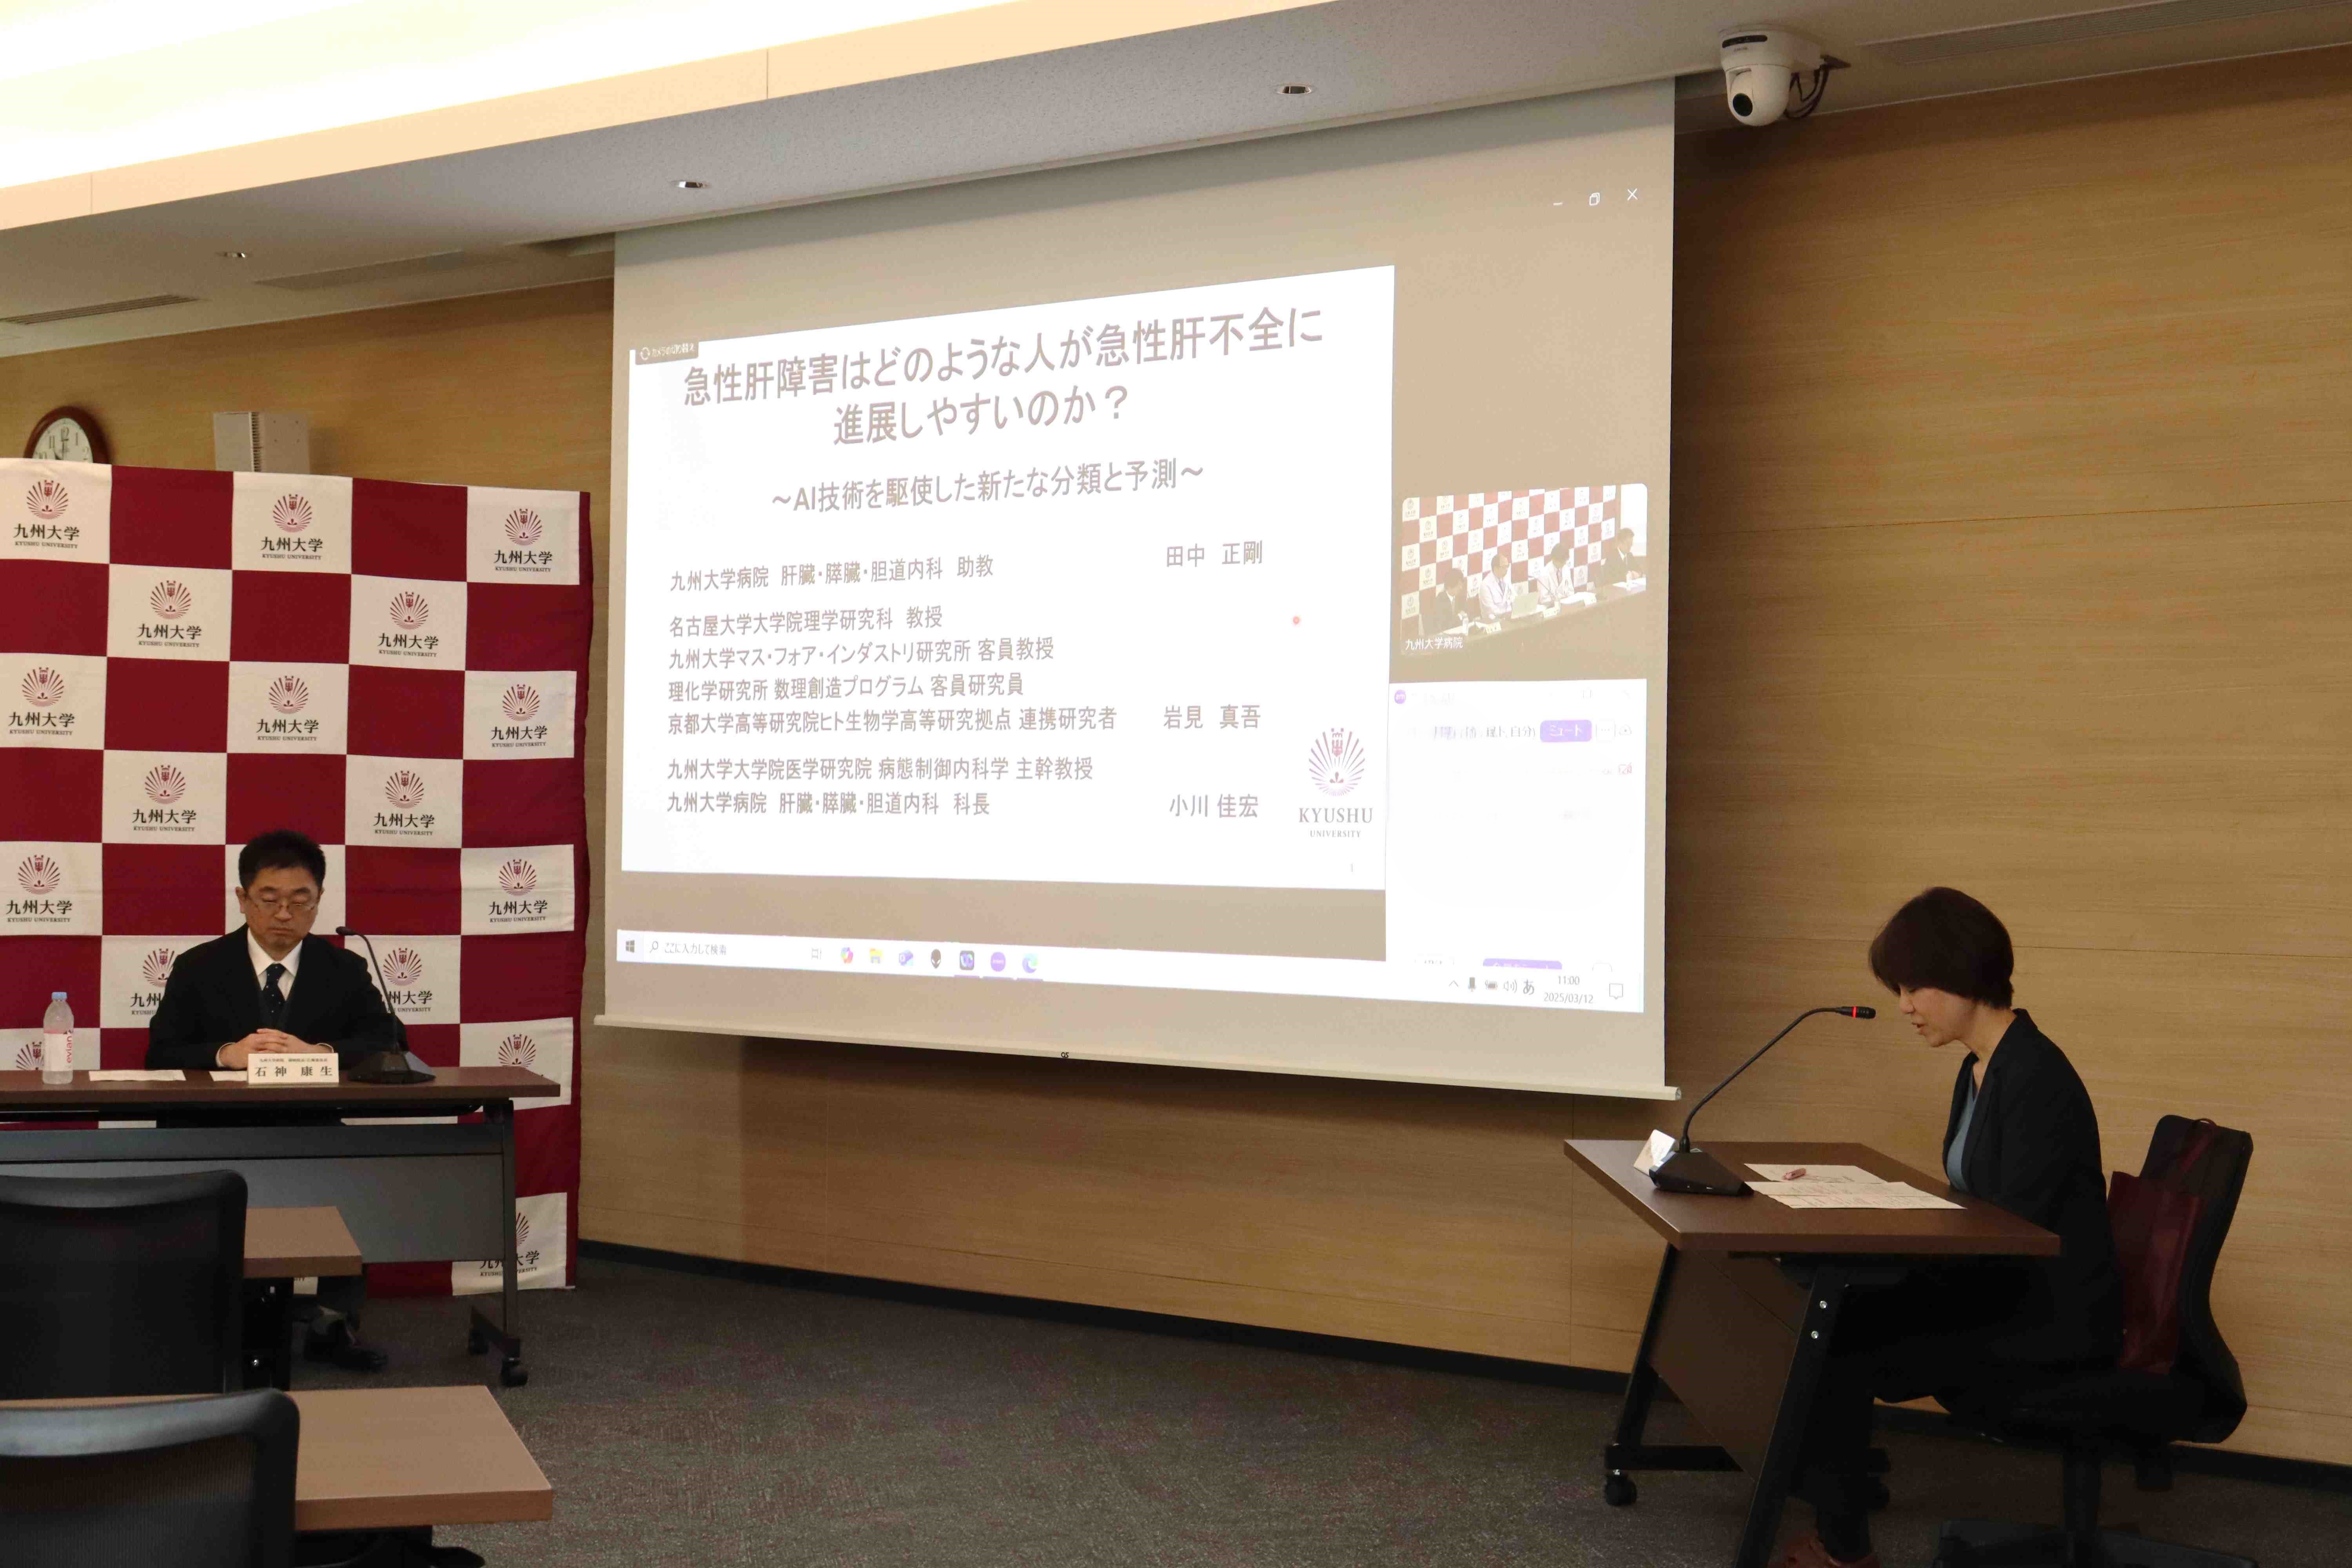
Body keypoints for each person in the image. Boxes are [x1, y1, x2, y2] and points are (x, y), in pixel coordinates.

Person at [1775, 887, 2121, 1568]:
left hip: (2048, 1316)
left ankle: (1844, 1547)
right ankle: (1831, 1503)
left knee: (1840, 1337)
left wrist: (1894, 1248)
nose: (1905, 1006)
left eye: (1915, 987)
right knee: (1830, 1315)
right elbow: (1976, 1205)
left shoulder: (2036, 1076)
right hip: (2002, 1290)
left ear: (1964, 974)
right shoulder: (1981, 1068)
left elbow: (2013, 1230)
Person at [147, 829, 401, 1373]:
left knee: (358, 1176)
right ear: (243, 899)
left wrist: (322, 1052)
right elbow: (160, 1052)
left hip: (309, 1127)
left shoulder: (344, 968)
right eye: (269, 899)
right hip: (211, 1129)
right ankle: (202, 1325)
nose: (284, 914)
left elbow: (390, 1041)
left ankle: (333, 1322)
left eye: (300, 900)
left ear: (319, 900)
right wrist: (226, 1054)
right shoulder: (199, 966)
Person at [1476, 552, 1514, 623]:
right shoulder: (1485, 585)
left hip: (1509, 619)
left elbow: (1514, 598)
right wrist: (1507, 614)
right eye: (1504, 567)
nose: (1507, 569)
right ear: (1496, 569)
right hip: (1494, 622)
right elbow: (1491, 611)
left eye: (1508, 566)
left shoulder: (1507, 580)